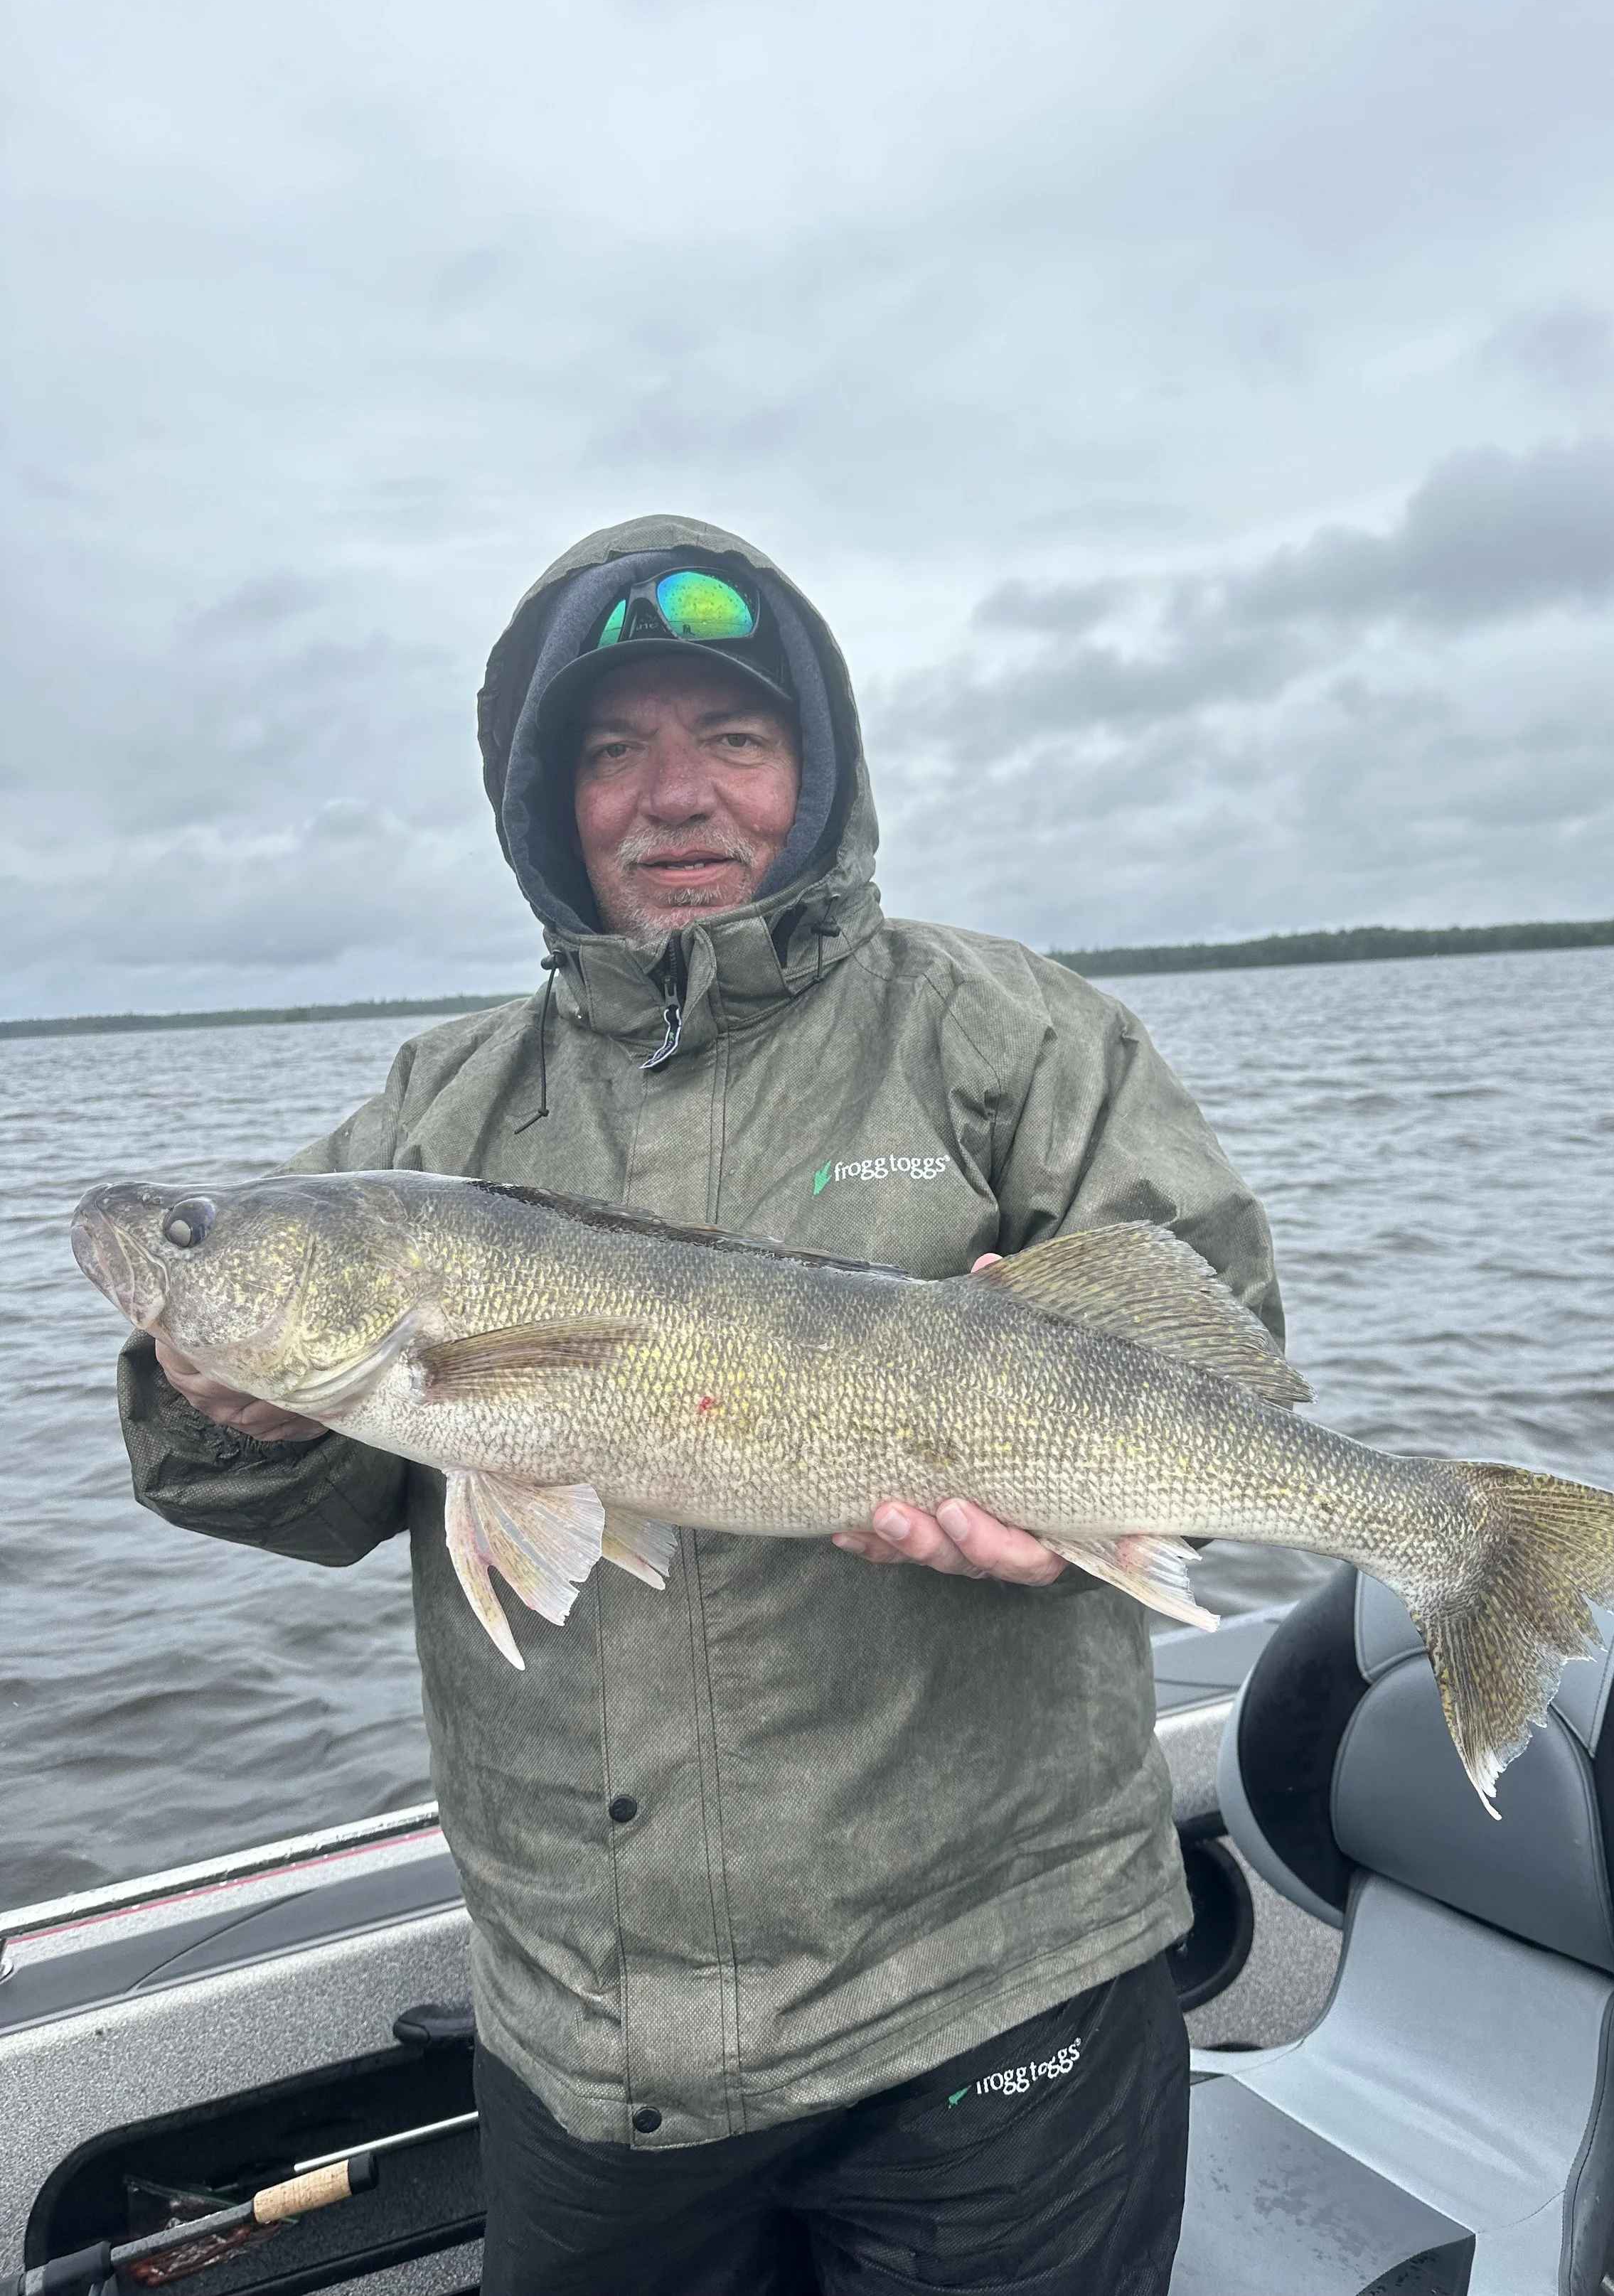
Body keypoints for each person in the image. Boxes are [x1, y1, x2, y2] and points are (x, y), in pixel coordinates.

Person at [117, 515, 1285, 2295]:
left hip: (1003, 1981)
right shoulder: (433, 1118)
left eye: (728, 738)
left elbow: (1216, 1390)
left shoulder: (1016, 1036)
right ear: (544, 801)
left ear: (814, 773)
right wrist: (223, 1399)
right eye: (610, 749)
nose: (673, 796)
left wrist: (1083, 1508)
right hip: (592, 2041)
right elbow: (286, 1491)